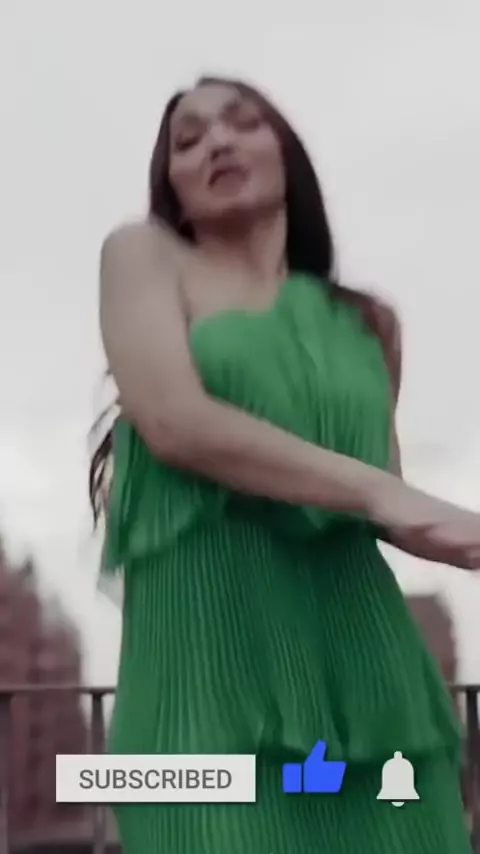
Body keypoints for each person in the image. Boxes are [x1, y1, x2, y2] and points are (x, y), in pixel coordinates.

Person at [90, 75, 478, 853]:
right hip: (199, 700)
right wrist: (383, 494)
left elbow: (388, 502)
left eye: (242, 123)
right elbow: (173, 421)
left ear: (285, 154)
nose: (217, 142)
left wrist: (439, 521)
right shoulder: (141, 256)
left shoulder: (366, 322)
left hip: (369, 701)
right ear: (172, 182)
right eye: (189, 139)